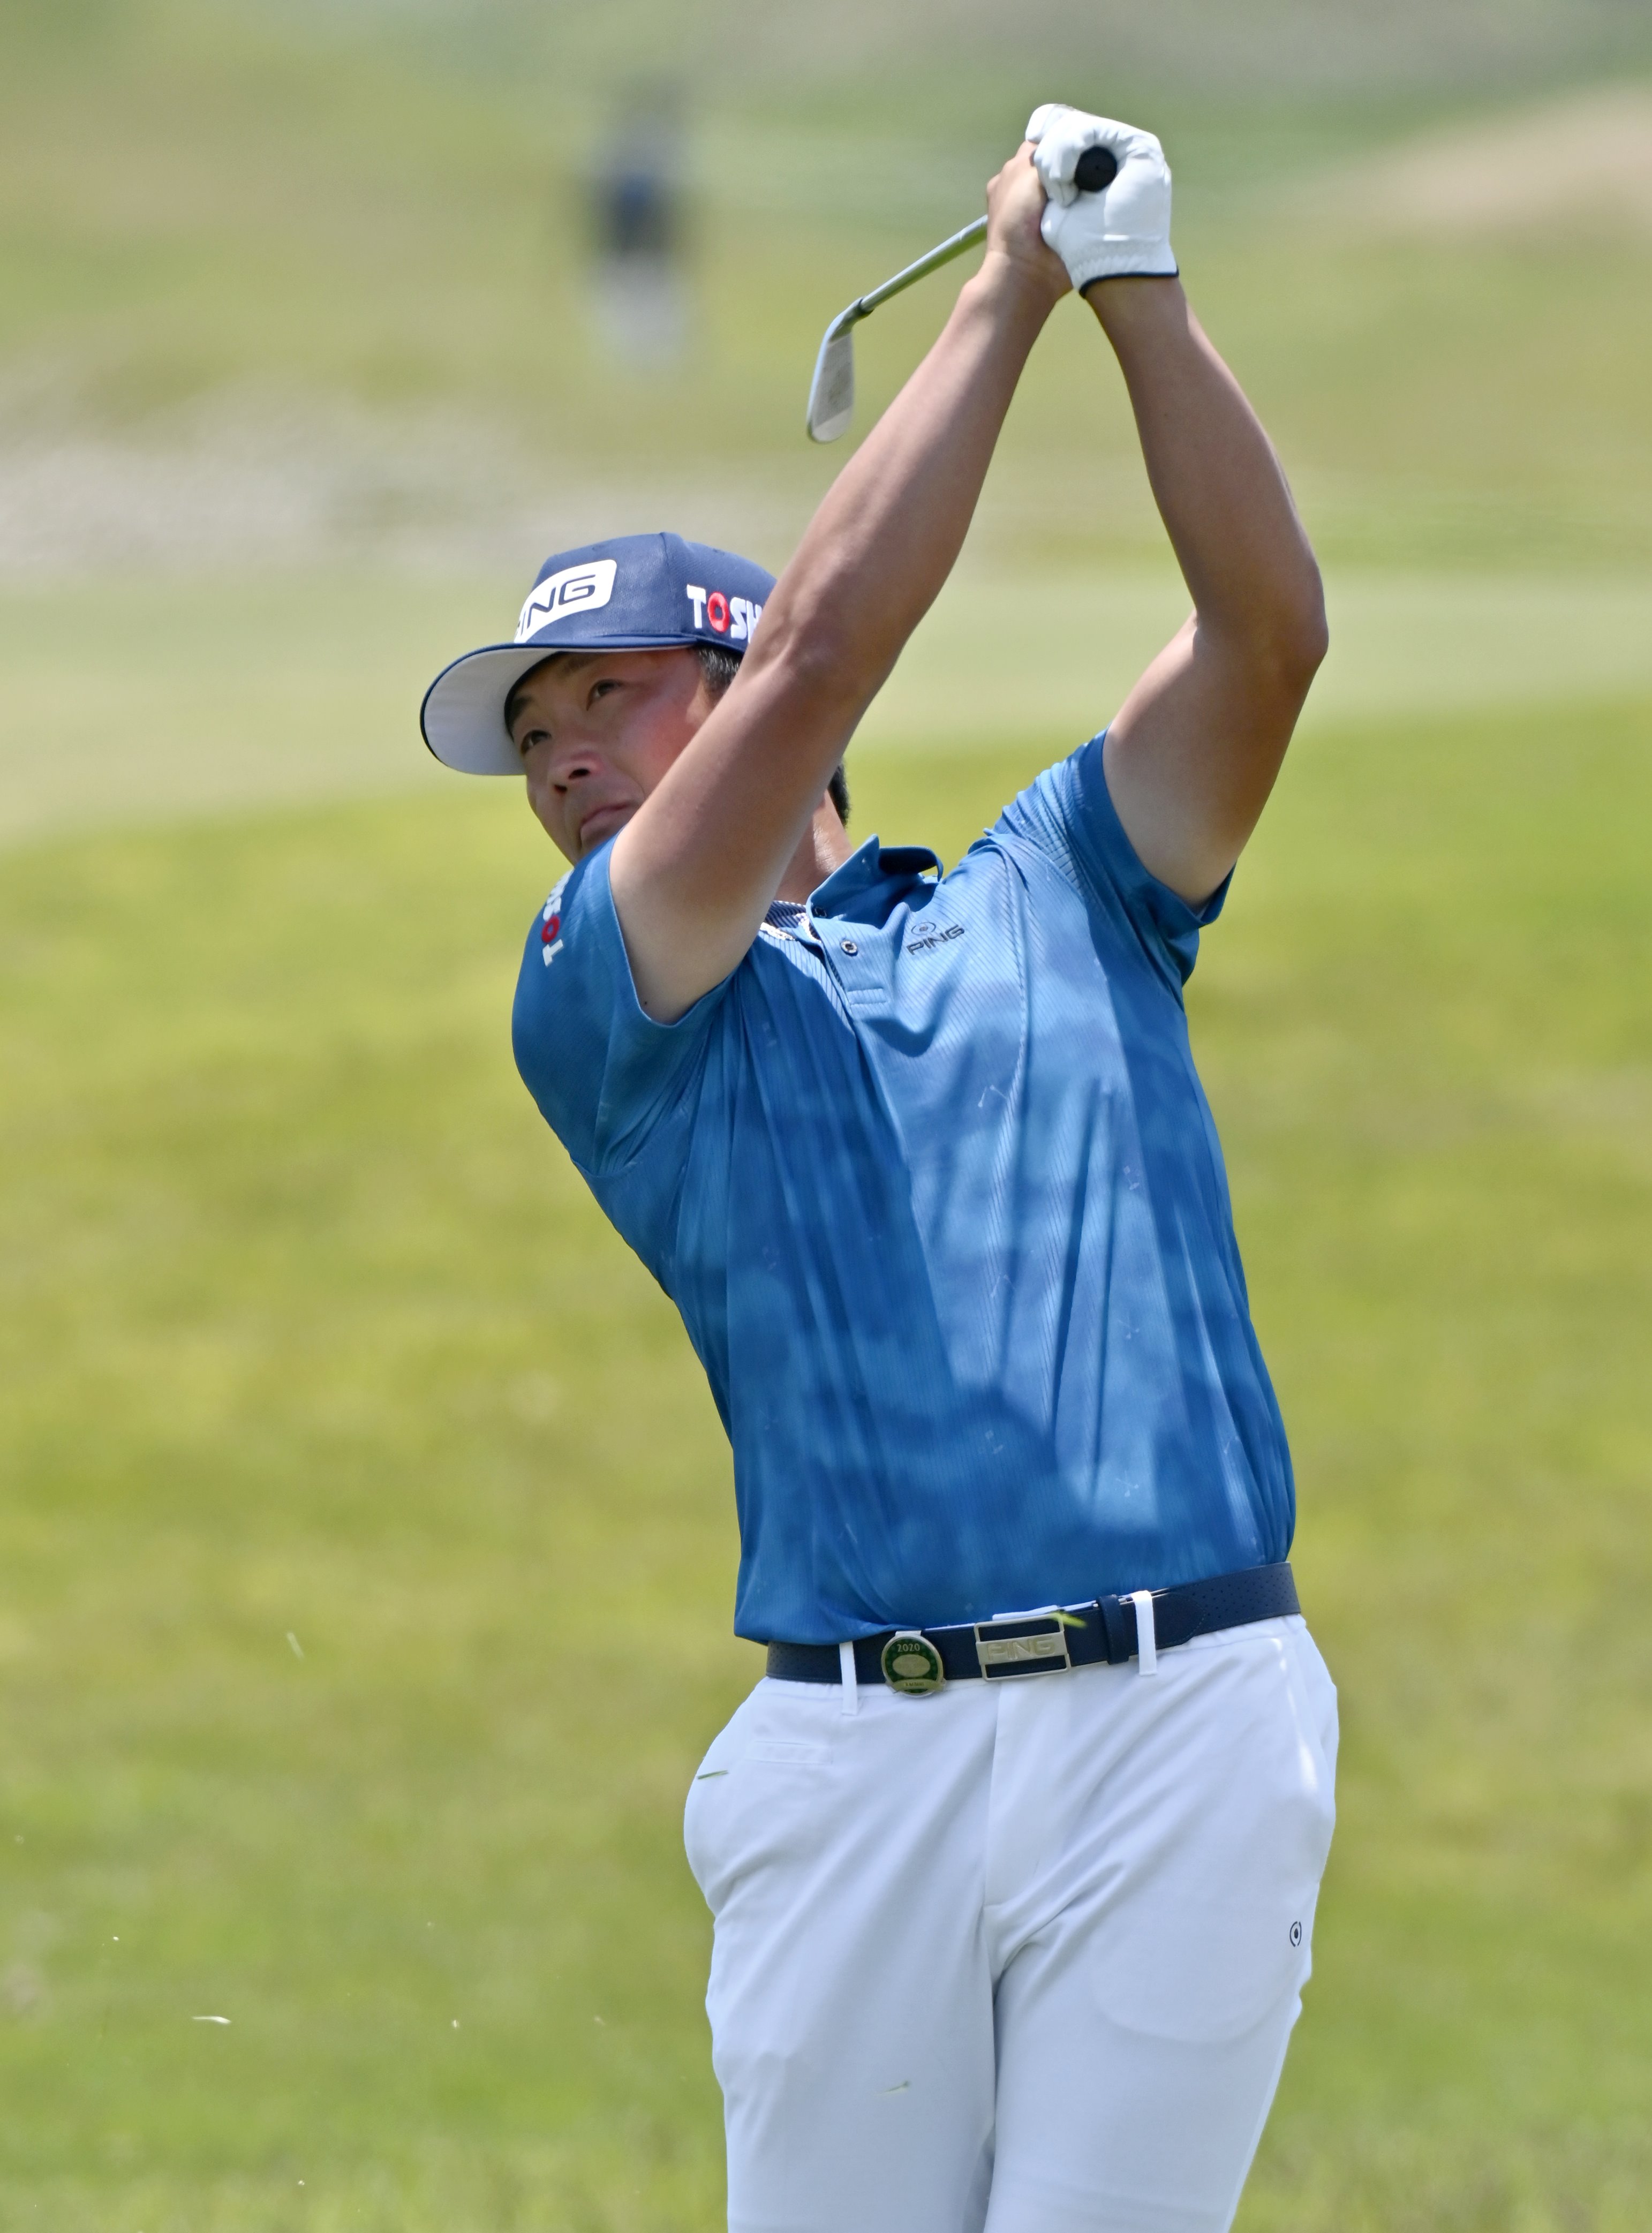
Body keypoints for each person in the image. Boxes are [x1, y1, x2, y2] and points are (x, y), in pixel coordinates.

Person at [421, 104, 1337, 2233]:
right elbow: (830, 646)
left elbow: (1264, 638)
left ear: (722, 691)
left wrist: (1139, 296)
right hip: (862, 1754)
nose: (557, 753)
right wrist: (1009, 284)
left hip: (1185, 1709)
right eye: (533, 727)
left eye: (606, 698)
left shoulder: (1071, 881)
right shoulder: (605, 995)